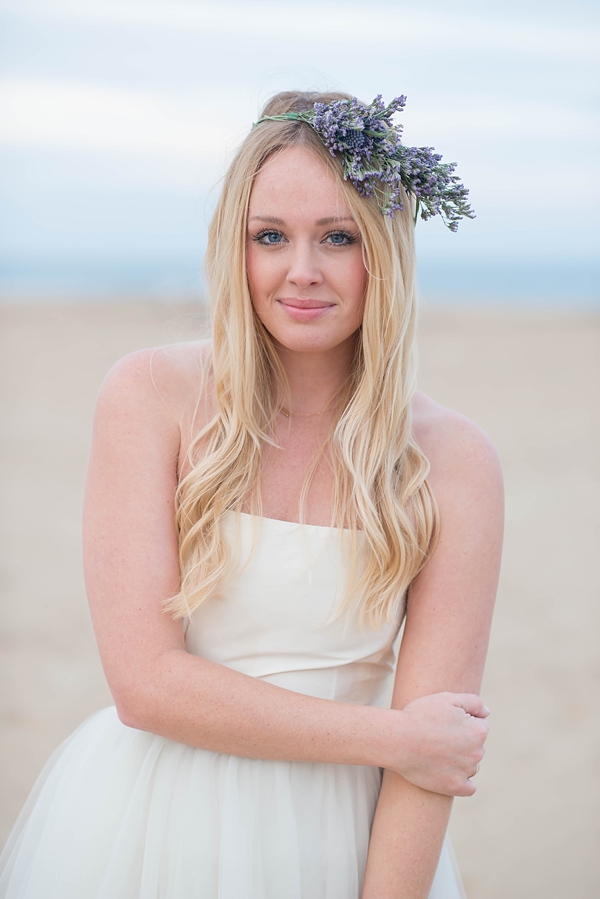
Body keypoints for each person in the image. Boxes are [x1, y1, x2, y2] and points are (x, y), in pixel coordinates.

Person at [0, 91, 503, 899]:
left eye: (338, 237)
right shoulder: (149, 396)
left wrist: (412, 757)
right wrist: (396, 736)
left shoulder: (455, 461)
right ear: (235, 249)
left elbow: (433, 761)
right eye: (270, 236)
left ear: (385, 247)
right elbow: (146, 684)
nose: (300, 270)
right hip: (151, 827)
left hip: (346, 840)